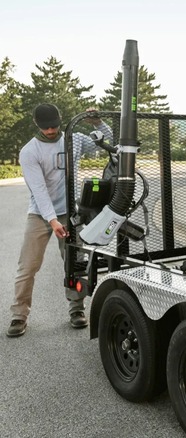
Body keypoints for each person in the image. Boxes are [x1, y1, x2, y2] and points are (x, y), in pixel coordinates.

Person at [7, 103, 113, 338]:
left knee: (74, 262)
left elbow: (109, 142)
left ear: (60, 120)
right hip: (40, 215)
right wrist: (52, 220)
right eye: (46, 128)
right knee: (28, 266)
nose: (52, 131)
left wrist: (97, 122)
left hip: (70, 212)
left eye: (55, 126)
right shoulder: (29, 151)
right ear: (37, 125)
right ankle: (19, 315)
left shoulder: (74, 139)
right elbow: (39, 190)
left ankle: (76, 310)